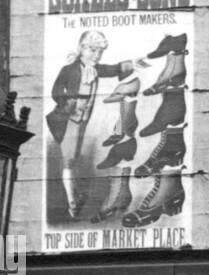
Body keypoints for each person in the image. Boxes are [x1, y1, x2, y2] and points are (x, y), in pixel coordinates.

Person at [46, 30, 147, 220]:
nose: (96, 55)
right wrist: (69, 102)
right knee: (69, 160)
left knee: (74, 158)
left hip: (82, 122)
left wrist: (132, 64)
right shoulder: (69, 69)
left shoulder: (95, 68)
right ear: (82, 49)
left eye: (100, 51)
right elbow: (56, 91)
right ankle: (72, 202)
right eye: (92, 50)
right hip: (69, 121)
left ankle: (75, 196)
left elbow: (113, 69)